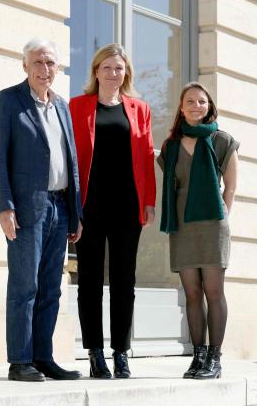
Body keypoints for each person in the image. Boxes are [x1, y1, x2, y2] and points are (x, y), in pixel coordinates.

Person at [0, 38, 83, 382]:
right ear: (25, 65)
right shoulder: (8, 102)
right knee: (25, 285)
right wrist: (4, 208)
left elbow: (71, 163)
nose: (46, 70)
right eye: (39, 63)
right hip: (28, 208)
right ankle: (20, 361)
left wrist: (75, 211)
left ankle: (43, 357)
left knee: (50, 288)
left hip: (59, 206)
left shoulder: (62, 107)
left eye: (51, 63)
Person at [69, 43, 156, 379]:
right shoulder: (77, 107)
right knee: (89, 280)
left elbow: (147, 157)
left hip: (127, 205)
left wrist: (148, 201)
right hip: (89, 205)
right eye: (106, 67)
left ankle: (121, 353)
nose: (113, 73)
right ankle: (95, 354)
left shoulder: (140, 109)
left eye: (118, 68)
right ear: (95, 71)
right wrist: (70, 206)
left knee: (124, 281)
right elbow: (70, 158)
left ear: (126, 73)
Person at [157, 82, 239, 379]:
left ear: (209, 106)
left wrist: (222, 218)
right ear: (181, 108)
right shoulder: (171, 146)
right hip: (183, 225)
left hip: (213, 225)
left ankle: (215, 359)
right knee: (192, 293)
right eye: (190, 101)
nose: (195, 106)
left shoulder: (221, 140)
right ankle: (198, 357)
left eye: (201, 101)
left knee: (213, 291)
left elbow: (230, 186)